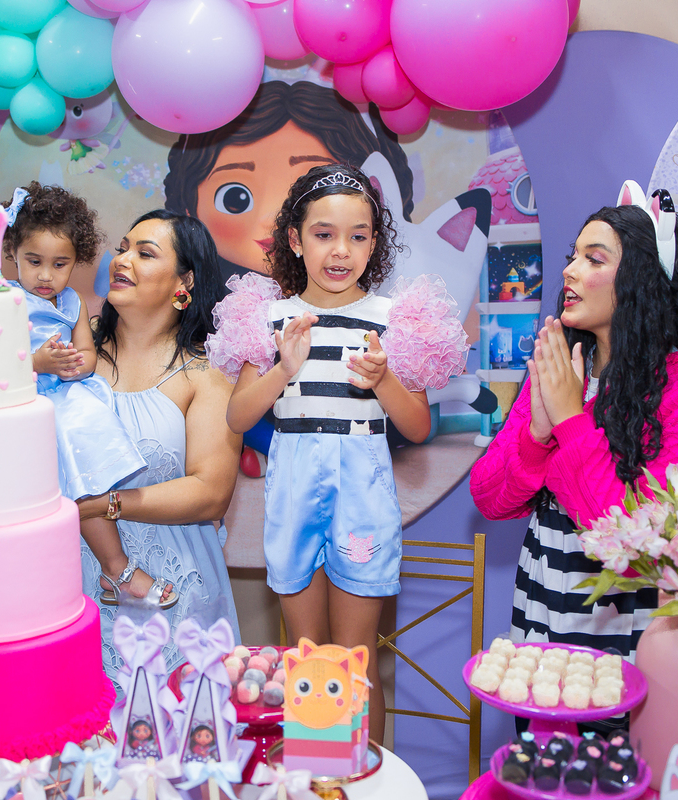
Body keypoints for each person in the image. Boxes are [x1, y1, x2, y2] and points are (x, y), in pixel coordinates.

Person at [205, 163, 468, 743]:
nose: (341, 250)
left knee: (354, 660)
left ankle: (364, 778)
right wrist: (283, 369)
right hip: (294, 488)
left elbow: (418, 427)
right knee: (307, 659)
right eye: (324, 234)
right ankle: (316, 775)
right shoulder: (269, 318)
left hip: (362, 491)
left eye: (358, 235)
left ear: (374, 243)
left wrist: (383, 380)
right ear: (295, 240)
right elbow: (238, 417)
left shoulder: (395, 321)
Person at [469, 181, 678, 659]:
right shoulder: (563, 369)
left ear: (643, 282)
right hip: (543, 615)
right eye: (573, 255)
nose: (569, 270)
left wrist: (570, 421)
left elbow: (641, 549)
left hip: (642, 638)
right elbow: (489, 500)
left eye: (594, 259)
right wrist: (538, 435)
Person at [75, 210, 242, 683]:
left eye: (145, 253)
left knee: (182, 719)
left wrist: (104, 505)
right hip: (74, 585)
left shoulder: (206, 373)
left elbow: (211, 492)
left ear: (183, 282)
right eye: (123, 248)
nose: (122, 259)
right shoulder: (72, 358)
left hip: (175, 589)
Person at [0, 182, 171, 607]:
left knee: (87, 478)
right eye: (34, 262)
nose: (46, 275)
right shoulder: (2, 299)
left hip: (65, 397)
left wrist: (77, 364)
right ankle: (113, 569)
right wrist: (37, 362)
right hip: (18, 404)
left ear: (75, 262)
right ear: (12, 254)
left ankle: (114, 567)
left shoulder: (73, 301)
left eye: (59, 264)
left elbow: (88, 354)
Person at [163, 80, 415, 285]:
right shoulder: (199, 303)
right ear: (189, 206)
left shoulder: (389, 310)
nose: (273, 218)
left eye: (308, 193)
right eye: (235, 198)